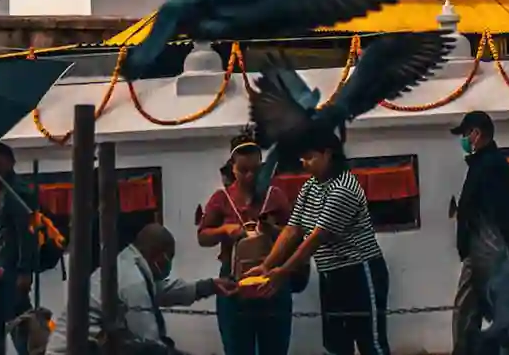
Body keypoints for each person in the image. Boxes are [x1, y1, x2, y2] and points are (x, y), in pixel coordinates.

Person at [250, 132, 388, 355]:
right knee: (336, 345)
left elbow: (316, 237)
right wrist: (267, 265)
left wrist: (283, 272)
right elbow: (293, 229)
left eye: (309, 157)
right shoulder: (310, 186)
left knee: (371, 343)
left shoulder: (343, 188)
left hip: (360, 272)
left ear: (327, 154)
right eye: (301, 158)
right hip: (330, 273)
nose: (303, 163)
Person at [198, 143, 293, 355]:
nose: (250, 176)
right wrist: (224, 229)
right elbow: (202, 237)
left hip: (272, 284)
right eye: (243, 170)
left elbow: (293, 234)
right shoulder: (221, 199)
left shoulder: (275, 195)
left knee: (275, 349)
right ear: (232, 167)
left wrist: (272, 230)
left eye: (256, 170)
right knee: (237, 349)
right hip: (234, 284)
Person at [0, 144, 61, 355]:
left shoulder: (17, 192)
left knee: (1, 325)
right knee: (12, 322)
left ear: (10, 163)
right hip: (1, 270)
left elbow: (26, 233)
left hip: (11, 270)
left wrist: (25, 271)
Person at [451, 112, 509, 355]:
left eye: (464, 134)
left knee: (468, 310)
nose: (463, 140)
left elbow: (494, 214)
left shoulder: (491, 166)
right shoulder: (484, 163)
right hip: (485, 251)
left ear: (476, 134)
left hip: (485, 252)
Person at [115, 222, 230, 350]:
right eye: (169, 257)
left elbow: (165, 291)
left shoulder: (128, 262)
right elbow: (150, 345)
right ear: (158, 254)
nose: (169, 264)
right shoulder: (134, 283)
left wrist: (209, 286)